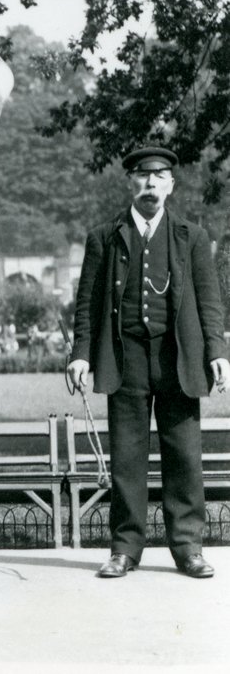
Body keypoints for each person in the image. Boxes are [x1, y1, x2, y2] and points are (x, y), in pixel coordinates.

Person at [67, 146, 230, 579]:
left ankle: (188, 547)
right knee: (127, 458)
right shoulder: (104, 237)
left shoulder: (191, 237)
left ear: (171, 185)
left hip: (179, 359)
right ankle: (124, 548)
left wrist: (217, 352)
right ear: (130, 183)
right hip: (126, 359)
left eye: (159, 177)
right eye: (142, 176)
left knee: (184, 456)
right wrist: (81, 354)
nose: (150, 184)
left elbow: (210, 301)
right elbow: (87, 303)